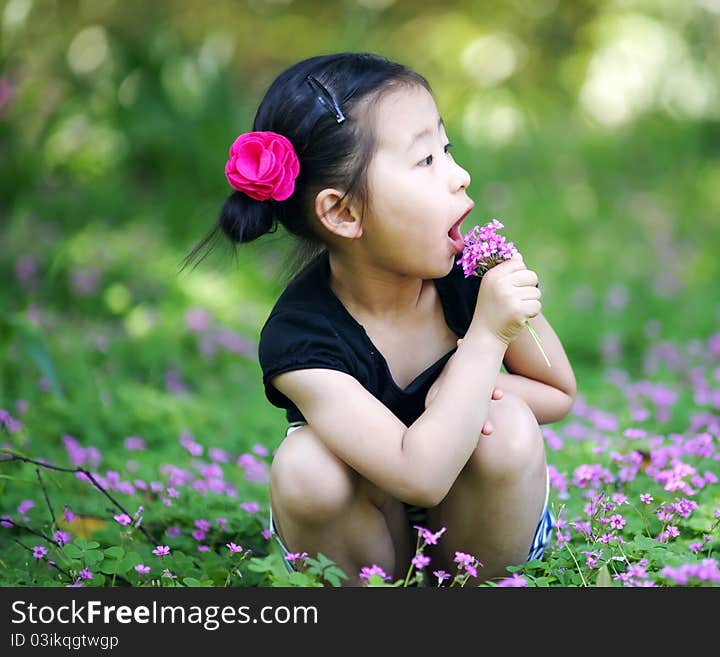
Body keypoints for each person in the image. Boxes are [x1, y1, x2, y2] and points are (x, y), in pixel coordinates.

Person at [183, 52, 577, 586]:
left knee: (506, 427)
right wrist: (482, 344)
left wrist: (471, 390)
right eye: (425, 161)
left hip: (476, 524)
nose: (460, 176)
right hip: (369, 526)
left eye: (447, 149)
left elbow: (558, 390)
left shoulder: (468, 274)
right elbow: (420, 477)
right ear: (343, 213)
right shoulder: (302, 340)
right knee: (305, 467)